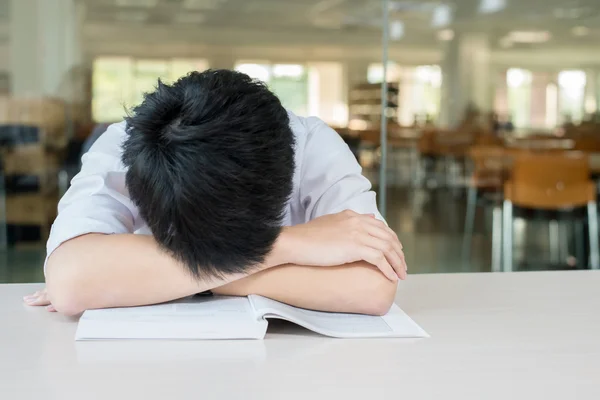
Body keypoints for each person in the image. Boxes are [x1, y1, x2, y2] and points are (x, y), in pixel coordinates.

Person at [23, 70, 407, 316]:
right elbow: (73, 280)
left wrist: (138, 279)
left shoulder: (311, 145)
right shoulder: (129, 145)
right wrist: (290, 246)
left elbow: (371, 288)